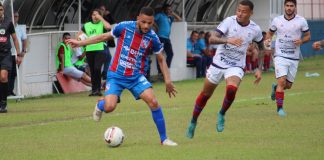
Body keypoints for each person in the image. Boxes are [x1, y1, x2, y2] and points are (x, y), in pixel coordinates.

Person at [67, 7, 178, 146]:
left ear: (153, 22)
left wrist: (168, 80)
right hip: (116, 75)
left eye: (149, 23)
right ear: (138, 18)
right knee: (110, 107)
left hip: (136, 77)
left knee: (153, 102)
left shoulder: (153, 37)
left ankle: (164, 139)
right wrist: (80, 43)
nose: (146, 26)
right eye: (143, 22)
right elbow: (103, 36)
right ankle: (100, 104)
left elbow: (161, 59)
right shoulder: (124, 27)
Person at [186, 0, 264, 139]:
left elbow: (262, 47)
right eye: (238, 10)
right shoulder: (229, 21)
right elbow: (212, 38)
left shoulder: (255, 29)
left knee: (231, 89)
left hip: (236, 66)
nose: (240, 13)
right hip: (218, 63)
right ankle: (193, 121)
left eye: (244, 11)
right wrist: (227, 40)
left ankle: (221, 113)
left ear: (251, 13)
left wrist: (259, 68)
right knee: (205, 95)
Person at [267, 0, 311, 117]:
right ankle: (279, 109)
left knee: (288, 85)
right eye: (287, 5)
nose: (289, 8)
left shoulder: (301, 21)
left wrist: (301, 41)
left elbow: (308, 36)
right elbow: (270, 33)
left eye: (292, 6)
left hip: (294, 56)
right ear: (284, 7)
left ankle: (276, 88)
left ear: (295, 7)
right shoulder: (277, 20)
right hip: (280, 55)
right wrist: (267, 40)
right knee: (282, 81)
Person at [79, 9, 111, 96]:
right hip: (89, 49)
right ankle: (94, 90)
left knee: (97, 68)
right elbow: (79, 35)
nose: (95, 16)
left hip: (100, 49)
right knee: (92, 70)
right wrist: (80, 39)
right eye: (93, 15)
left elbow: (108, 27)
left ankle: (98, 89)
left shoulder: (102, 24)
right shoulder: (87, 25)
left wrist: (101, 18)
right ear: (91, 16)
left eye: (97, 15)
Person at [0, 3, 21, 113]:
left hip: (5, 54)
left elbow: (15, 39)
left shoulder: (8, 23)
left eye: (1, 9)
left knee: (3, 77)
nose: (0, 11)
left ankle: (3, 104)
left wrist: (19, 54)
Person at [154, 4, 181, 77]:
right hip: (160, 37)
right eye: (168, 9)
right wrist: (156, 27)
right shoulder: (160, 15)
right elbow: (152, 20)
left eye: (170, 9)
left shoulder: (169, 17)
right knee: (160, 54)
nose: (169, 11)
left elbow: (179, 19)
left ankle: (165, 69)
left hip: (167, 38)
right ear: (164, 10)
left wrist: (172, 13)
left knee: (170, 54)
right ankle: (160, 72)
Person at [8, 11, 27, 96]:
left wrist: (23, 51)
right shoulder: (7, 26)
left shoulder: (21, 28)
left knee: (14, 73)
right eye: (14, 16)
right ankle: (5, 92)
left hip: (17, 53)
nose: (16, 18)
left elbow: (24, 39)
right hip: (7, 53)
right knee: (6, 72)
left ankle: (10, 91)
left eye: (17, 16)